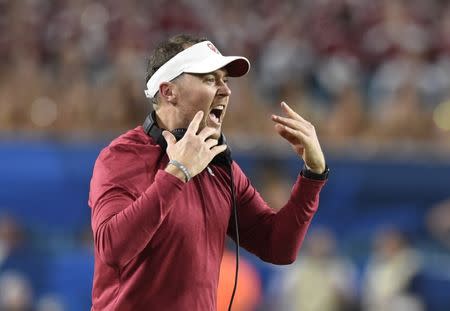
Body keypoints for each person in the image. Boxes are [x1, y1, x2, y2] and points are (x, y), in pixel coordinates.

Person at [88, 34, 329, 310]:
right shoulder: (122, 157)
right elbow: (112, 248)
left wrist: (313, 173)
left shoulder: (220, 167)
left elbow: (278, 247)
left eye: (224, 80)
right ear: (168, 92)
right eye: (210, 79)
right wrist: (176, 174)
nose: (226, 90)